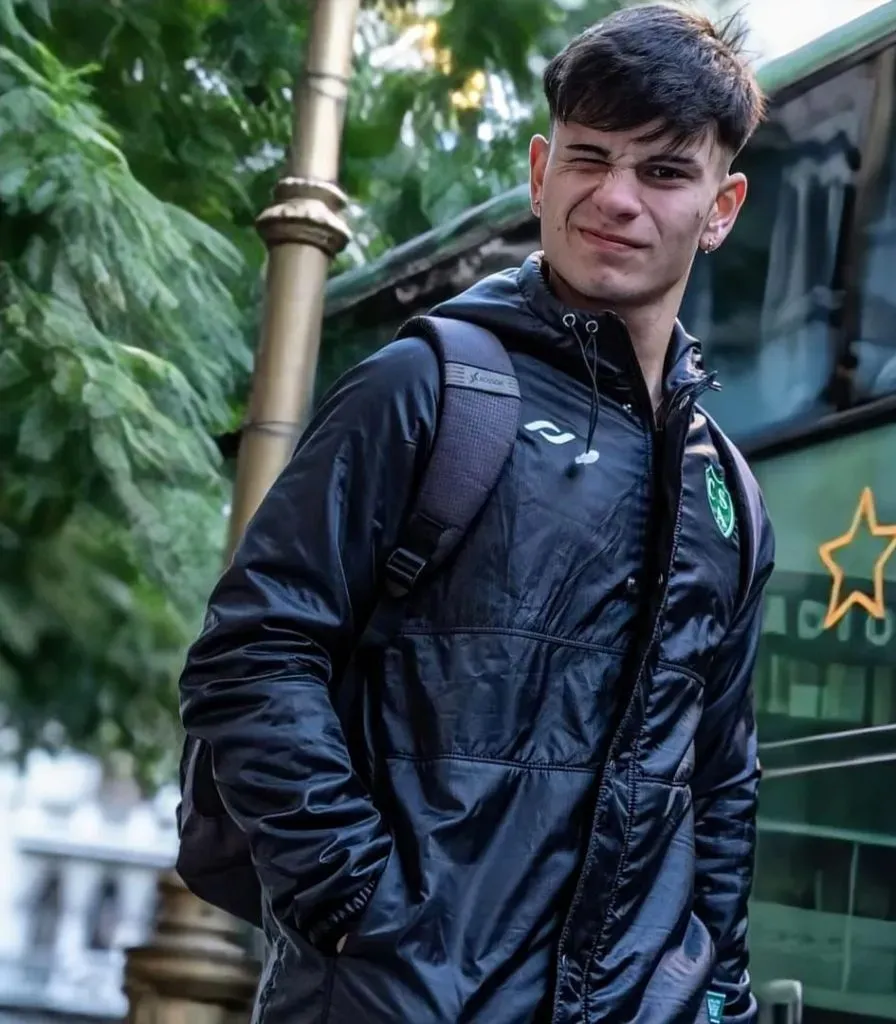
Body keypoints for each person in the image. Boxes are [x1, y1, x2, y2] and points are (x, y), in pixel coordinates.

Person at [179, 4, 774, 1022]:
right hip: (391, 993)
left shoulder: (728, 491)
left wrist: (713, 985)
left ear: (721, 207)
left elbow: (717, 774)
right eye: (589, 159)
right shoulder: (427, 388)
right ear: (541, 174)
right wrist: (359, 909)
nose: (615, 198)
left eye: (664, 172)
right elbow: (255, 653)